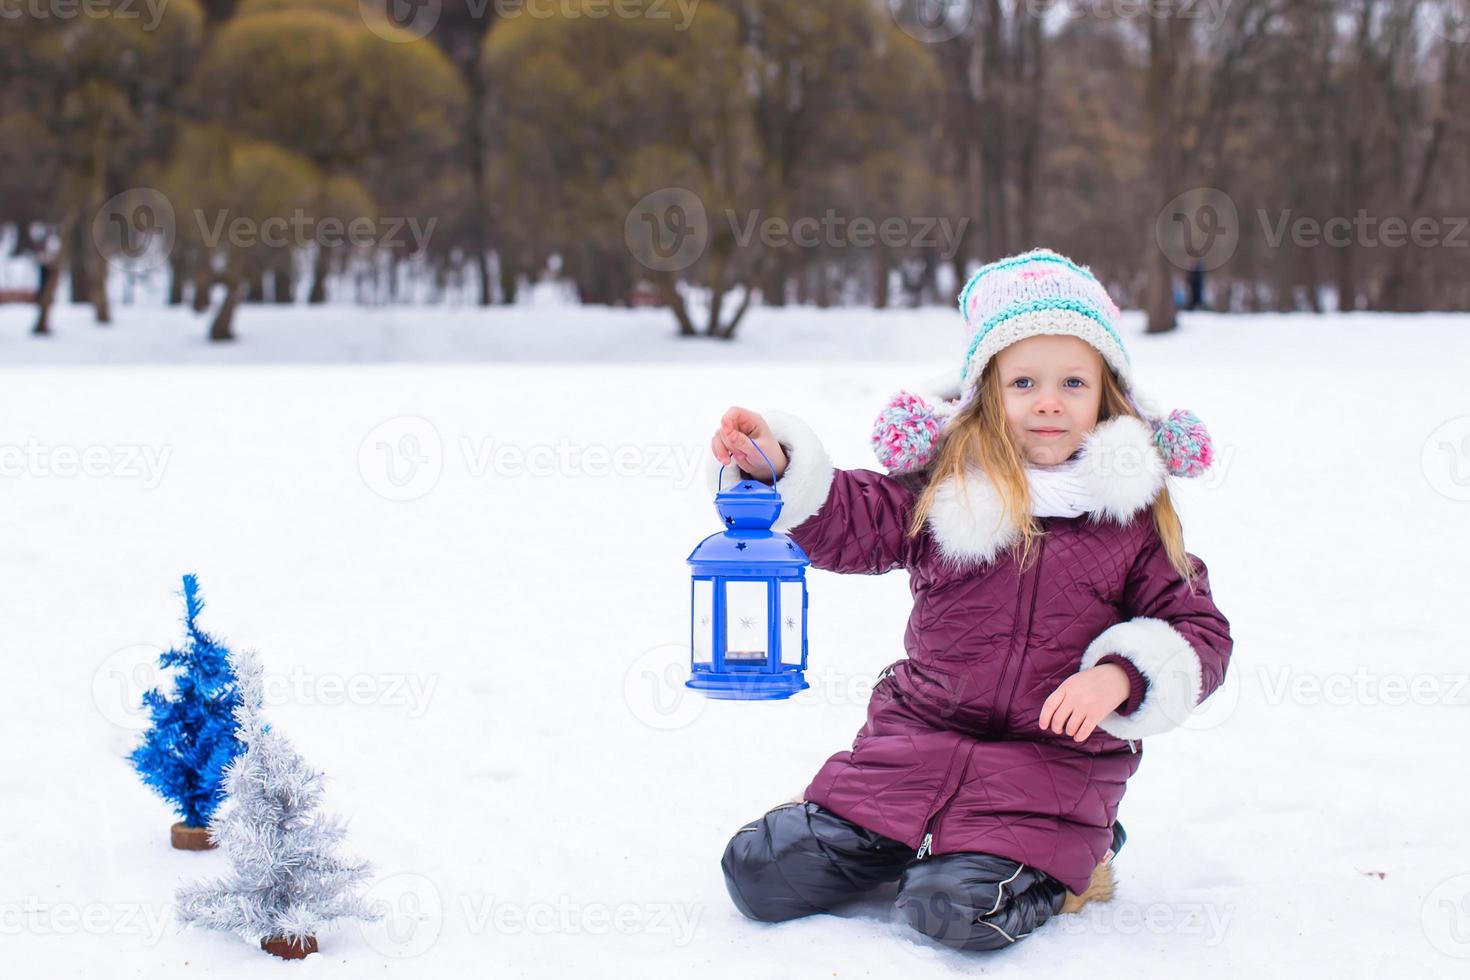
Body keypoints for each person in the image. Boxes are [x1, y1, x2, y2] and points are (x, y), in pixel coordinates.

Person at [705, 248, 1230, 952]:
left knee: (951, 908)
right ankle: (905, 842)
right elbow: (851, 520)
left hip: (1046, 776)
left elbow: (1196, 626)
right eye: (1024, 381)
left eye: (1073, 381)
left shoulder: (1129, 518)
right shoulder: (945, 492)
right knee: (760, 871)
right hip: (906, 754)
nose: (1049, 401)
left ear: (1107, 395)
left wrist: (1121, 675)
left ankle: (1076, 861)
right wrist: (778, 468)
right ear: (986, 392)